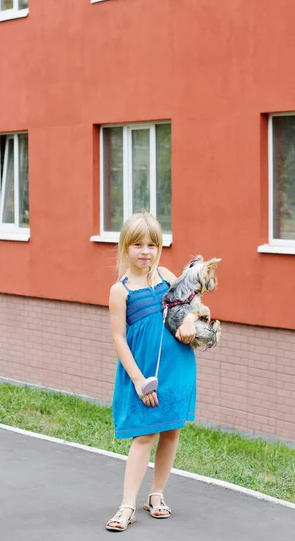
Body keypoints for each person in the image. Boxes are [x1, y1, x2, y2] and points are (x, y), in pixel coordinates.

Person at [105, 212, 197, 532]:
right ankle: (127, 505)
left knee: (171, 430)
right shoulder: (121, 290)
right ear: (125, 247)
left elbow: (188, 309)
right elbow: (119, 339)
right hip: (144, 375)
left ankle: (156, 495)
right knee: (144, 435)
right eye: (138, 245)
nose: (146, 251)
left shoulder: (168, 277)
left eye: (152, 244)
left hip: (178, 367)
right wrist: (140, 380)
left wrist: (188, 324)